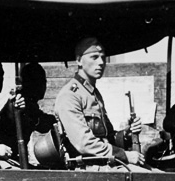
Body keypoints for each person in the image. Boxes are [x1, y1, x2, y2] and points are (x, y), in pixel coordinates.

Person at [54, 36, 147, 170]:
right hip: (87, 169)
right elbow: (84, 143)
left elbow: (107, 137)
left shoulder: (93, 93)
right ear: (79, 60)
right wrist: (125, 155)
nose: (101, 62)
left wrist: (126, 133)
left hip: (105, 165)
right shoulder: (70, 96)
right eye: (94, 57)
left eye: (103, 57)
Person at [0, 62, 55, 166]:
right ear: (26, 83)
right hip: (6, 159)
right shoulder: (19, 102)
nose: (43, 86)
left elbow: (42, 122)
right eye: (37, 82)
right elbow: (41, 123)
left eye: (44, 82)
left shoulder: (30, 103)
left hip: (16, 159)